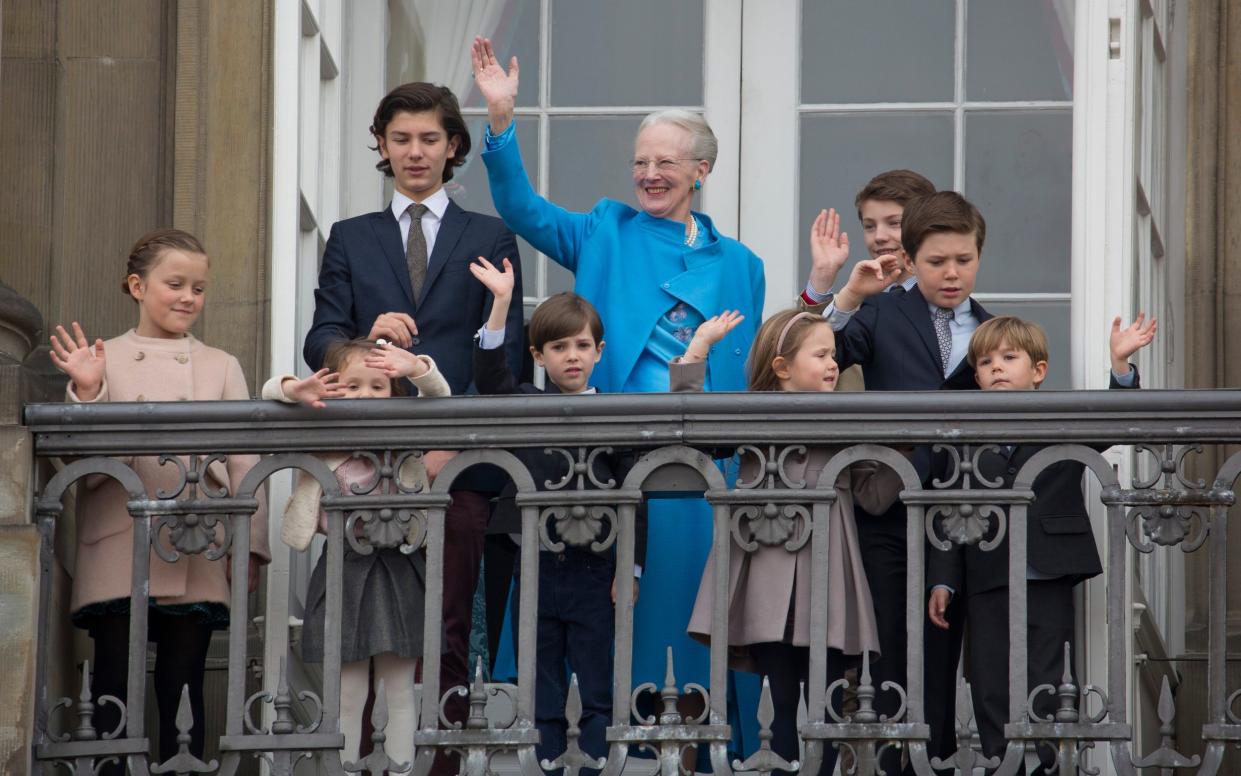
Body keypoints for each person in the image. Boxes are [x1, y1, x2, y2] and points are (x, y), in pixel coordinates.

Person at [470, 38, 766, 756]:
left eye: (665, 161)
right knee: (620, 620)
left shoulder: (742, 264)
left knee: (698, 624)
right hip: (614, 465)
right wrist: (502, 122)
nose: (648, 173)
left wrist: (823, 294)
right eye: (640, 160)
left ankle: (700, 749)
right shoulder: (605, 228)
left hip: (704, 468)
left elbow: (758, 359)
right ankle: (614, 750)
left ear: (701, 170)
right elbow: (522, 209)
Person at [302, 81, 525, 757]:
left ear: (453, 145)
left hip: (456, 466)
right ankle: (359, 763)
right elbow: (320, 342)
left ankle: (440, 766)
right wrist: (364, 338)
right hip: (367, 468)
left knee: (447, 626)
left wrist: (450, 443)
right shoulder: (350, 236)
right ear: (381, 144)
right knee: (360, 634)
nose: (415, 152)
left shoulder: (489, 234)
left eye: (430, 138)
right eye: (400, 138)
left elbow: (506, 362)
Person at [48, 229, 270, 771]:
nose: (188, 297)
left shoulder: (222, 364)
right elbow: (73, 459)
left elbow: (246, 461)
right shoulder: (103, 357)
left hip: (197, 544)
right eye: (174, 284)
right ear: (137, 286)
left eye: (198, 287)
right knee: (112, 681)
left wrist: (253, 547)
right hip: (120, 542)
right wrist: (88, 391)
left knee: (183, 679)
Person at [678, 309, 904, 776]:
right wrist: (698, 349)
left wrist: (905, 441)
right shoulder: (748, 414)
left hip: (827, 574)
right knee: (778, 697)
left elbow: (875, 498)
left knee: (823, 699)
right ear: (782, 368)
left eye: (834, 356)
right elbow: (692, 426)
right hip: (764, 569)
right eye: (820, 354)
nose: (832, 364)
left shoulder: (846, 418)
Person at [926, 314, 1155, 770]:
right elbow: (952, 514)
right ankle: (998, 761)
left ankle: (1047, 764)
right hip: (987, 576)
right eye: (986, 362)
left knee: (1049, 680)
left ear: (1038, 371)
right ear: (976, 377)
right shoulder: (963, 437)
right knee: (990, 679)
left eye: (1010, 358)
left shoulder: (1060, 420)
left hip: (1046, 573)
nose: (997, 368)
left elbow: (1112, 425)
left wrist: (1120, 365)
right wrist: (943, 582)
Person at [822, 190, 996, 765]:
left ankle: (941, 759)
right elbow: (824, 351)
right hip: (890, 510)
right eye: (936, 262)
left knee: (952, 654)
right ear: (912, 258)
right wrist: (845, 292)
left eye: (963, 260)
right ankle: (896, 760)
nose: (951, 273)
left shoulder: (994, 331)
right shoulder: (882, 311)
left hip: (968, 516)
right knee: (893, 654)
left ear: (979, 257)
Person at [470, 257, 648, 775]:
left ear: (600, 351)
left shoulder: (617, 414)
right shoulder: (524, 402)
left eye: (582, 346)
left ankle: (594, 764)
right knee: (540, 679)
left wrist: (629, 568)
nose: (572, 356)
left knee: (597, 680)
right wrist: (502, 302)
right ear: (539, 356)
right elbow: (490, 377)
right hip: (534, 566)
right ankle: (545, 763)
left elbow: (635, 498)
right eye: (558, 347)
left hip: (596, 567)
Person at [263, 338, 453, 769]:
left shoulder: (405, 433)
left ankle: (401, 770)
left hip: (400, 567)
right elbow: (268, 394)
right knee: (348, 693)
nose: (365, 396)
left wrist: (417, 366)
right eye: (351, 386)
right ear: (330, 390)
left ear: (394, 394)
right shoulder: (320, 430)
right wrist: (298, 389)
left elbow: (440, 397)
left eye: (377, 386)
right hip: (343, 568)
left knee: (400, 690)